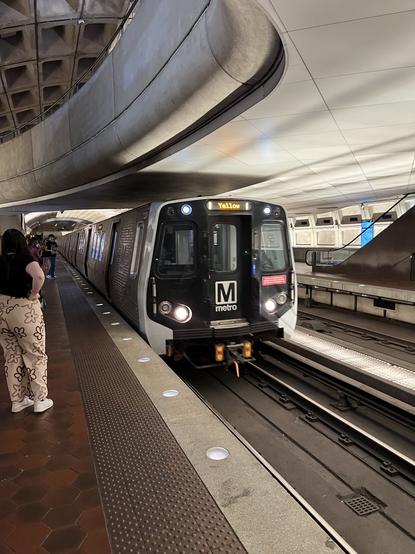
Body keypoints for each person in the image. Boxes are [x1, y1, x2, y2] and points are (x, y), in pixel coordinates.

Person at [0, 229, 53, 413]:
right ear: (22, 242)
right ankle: (39, 400)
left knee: (12, 357)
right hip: (24, 312)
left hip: (2, 312)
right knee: (35, 355)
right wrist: (33, 293)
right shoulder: (24, 259)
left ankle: (18, 401)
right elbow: (39, 276)